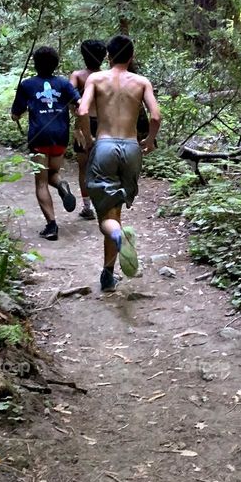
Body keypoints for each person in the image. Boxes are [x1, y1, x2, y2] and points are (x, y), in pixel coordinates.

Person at [77, 34, 161, 292]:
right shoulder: (141, 81)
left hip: (105, 145)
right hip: (131, 147)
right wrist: (148, 141)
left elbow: (82, 110)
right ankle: (107, 275)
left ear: (109, 56)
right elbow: (155, 116)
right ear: (131, 56)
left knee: (107, 216)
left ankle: (118, 237)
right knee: (116, 211)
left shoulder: (96, 78)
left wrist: (89, 140)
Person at [11, 45, 80, 241]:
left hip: (38, 137)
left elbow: (16, 113)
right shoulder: (64, 83)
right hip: (60, 135)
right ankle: (61, 184)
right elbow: (78, 103)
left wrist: (17, 115)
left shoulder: (27, 85)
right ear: (56, 63)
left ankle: (51, 225)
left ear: (35, 63)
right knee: (53, 174)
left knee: (41, 182)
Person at [68, 39, 107, 220]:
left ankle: (87, 207)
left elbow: (69, 97)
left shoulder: (77, 76)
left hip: (82, 125)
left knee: (84, 167)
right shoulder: (107, 76)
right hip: (105, 124)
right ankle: (105, 204)